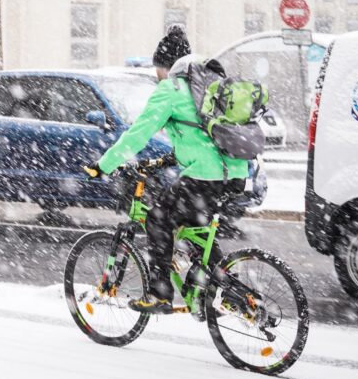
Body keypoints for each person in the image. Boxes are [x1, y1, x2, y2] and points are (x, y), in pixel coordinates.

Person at [86, 25, 248, 314]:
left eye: (157, 69)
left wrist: (103, 165)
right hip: (235, 173)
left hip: (205, 176)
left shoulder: (171, 89)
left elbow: (139, 133)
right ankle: (230, 294)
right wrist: (164, 161)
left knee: (159, 219)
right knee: (197, 230)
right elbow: (201, 139)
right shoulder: (208, 84)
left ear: (166, 67)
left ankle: (160, 293)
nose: (156, 75)